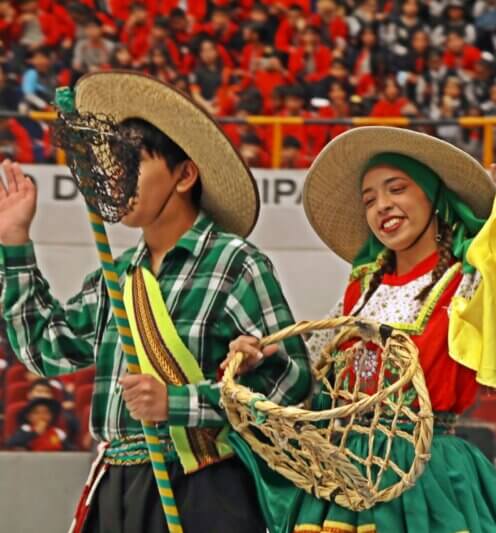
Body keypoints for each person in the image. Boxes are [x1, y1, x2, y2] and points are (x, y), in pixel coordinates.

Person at [226, 82, 496, 533]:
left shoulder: (466, 280)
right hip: (348, 475)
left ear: (433, 196)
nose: (383, 206)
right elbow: (314, 372)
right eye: (369, 199)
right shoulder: (360, 290)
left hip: (430, 475)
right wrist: (262, 356)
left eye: (397, 188)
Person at [0, 71, 310, 532]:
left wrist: (179, 403)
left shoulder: (235, 263)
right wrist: (15, 242)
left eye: (134, 163)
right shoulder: (117, 274)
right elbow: (45, 349)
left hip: (205, 487)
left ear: (184, 175)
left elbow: (291, 384)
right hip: (116, 486)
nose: (116, 176)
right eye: (113, 163)